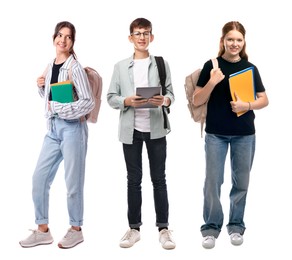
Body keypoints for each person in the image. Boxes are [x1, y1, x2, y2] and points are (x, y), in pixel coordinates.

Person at [193, 21, 269, 249]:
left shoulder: (250, 68)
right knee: (213, 182)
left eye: (239, 40)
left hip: (244, 134)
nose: (234, 43)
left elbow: (264, 99)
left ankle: (236, 226)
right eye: (230, 39)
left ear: (243, 42)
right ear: (222, 41)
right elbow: (197, 99)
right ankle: (211, 228)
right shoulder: (211, 66)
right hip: (216, 134)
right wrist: (212, 82)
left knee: (241, 182)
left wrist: (247, 104)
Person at [19, 21, 94, 249]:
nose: (62, 40)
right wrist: (42, 88)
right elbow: (52, 100)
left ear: (72, 43)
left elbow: (88, 102)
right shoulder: (51, 65)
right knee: (39, 179)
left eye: (68, 37)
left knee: (73, 184)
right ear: (54, 38)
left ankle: (76, 229)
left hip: (73, 130)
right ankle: (43, 230)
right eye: (60, 35)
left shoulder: (75, 67)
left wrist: (59, 108)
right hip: (52, 130)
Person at [107, 17, 176, 250]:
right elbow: (110, 98)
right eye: (138, 33)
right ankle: (134, 228)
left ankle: (164, 229)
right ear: (131, 38)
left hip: (156, 129)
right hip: (131, 131)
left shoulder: (161, 63)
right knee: (133, 180)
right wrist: (126, 100)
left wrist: (164, 100)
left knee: (159, 179)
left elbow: (171, 95)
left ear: (152, 37)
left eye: (146, 33)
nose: (142, 37)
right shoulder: (120, 67)